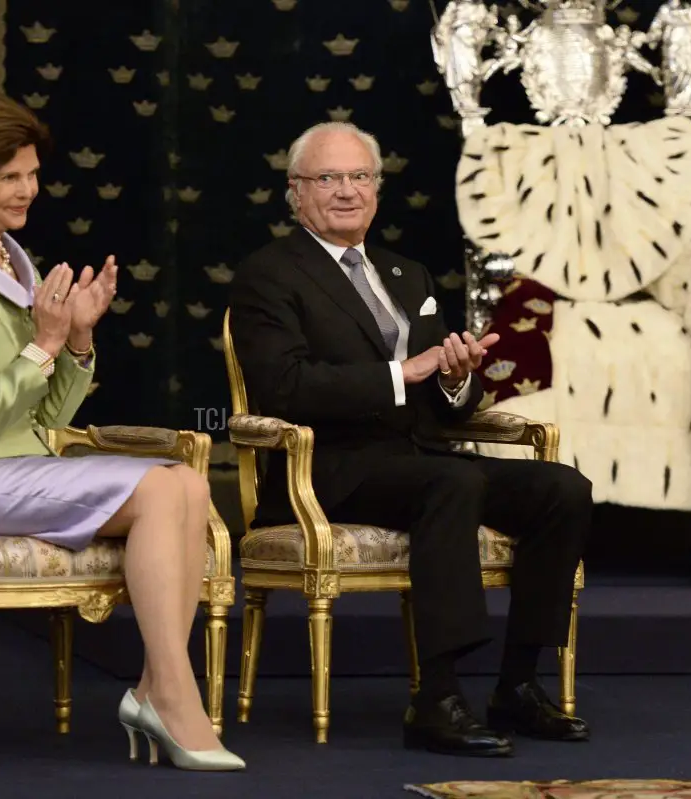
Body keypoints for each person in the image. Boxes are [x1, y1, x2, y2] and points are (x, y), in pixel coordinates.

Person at [0, 93, 243, 772]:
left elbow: (45, 421)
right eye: (11, 176)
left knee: (190, 485)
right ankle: (172, 692)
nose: (30, 189)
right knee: (166, 490)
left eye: (32, 173)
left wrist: (76, 340)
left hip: (18, 468)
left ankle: (155, 686)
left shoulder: (14, 263)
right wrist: (42, 344)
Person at [228, 120, 593, 757]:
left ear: (377, 188)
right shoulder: (271, 274)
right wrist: (403, 374)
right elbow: (285, 389)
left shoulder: (407, 274)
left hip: (419, 459)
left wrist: (453, 378)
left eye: (360, 177)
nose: (347, 191)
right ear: (297, 192)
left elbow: (446, 399)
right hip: (327, 469)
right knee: (454, 480)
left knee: (560, 487)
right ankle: (438, 697)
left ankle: (518, 683)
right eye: (329, 178)